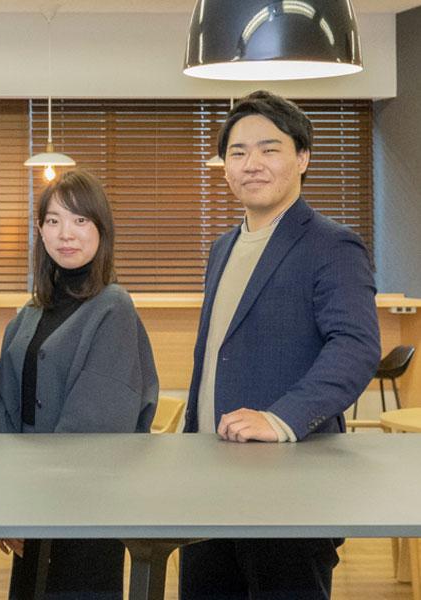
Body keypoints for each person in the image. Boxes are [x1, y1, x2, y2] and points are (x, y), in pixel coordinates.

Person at [179, 90, 380, 599]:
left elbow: (355, 346)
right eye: (238, 152)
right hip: (208, 481)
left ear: (303, 157)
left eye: (269, 149)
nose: (252, 163)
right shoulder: (223, 247)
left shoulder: (332, 244)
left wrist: (281, 418)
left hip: (291, 486)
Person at [0, 170, 158, 600]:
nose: (65, 233)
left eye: (80, 220)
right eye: (53, 220)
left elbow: (95, 428)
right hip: (28, 502)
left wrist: (34, 504)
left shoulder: (113, 309)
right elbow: (6, 408)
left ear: (101, 229)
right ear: (41, 231)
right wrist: (8, 501)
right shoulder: (29, 313)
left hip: (85, 506)